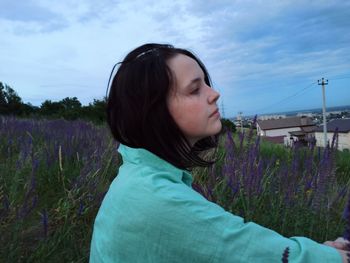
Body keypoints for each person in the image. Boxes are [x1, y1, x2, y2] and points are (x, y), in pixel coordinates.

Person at [90, 43, 349, 262]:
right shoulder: (157, 199)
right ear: (153, 111)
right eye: (195, 89)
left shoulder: (138, 177)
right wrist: (329, 256)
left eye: (206, 84)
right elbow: (246, 247)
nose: (214, 94)